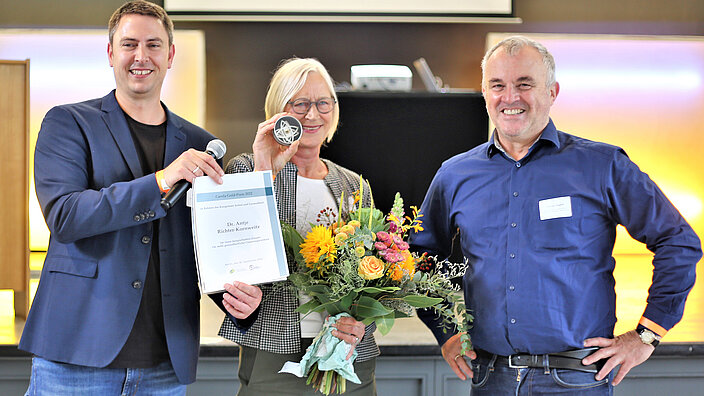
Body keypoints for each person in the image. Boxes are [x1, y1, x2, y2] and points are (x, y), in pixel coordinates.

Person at [410, 35, 702, 394]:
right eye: (497, 85)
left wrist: (647, 334)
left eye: (524, 84)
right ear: (485, 93)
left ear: (552, 92)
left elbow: (678, 241)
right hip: (489, 378)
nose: (510, 97)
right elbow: (418, 256)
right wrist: (445, 329)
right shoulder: (455, 174)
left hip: (576, 379)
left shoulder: (602, 166)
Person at [19, 1, 225, 394]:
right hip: (76, 356)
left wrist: (241, 294)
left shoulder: (199, 144)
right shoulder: (68, 122)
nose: (141, 56)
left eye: (153, 45)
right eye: (129, 44)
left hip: (165, 364)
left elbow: (208, 246)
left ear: (171, 55)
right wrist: (162, 180)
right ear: (111, 52)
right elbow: (65, 217)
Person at [214, 58, 379, 395]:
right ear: (279, 111)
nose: (312, 114)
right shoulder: (246, 170)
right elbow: (235, 252)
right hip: (274, 354)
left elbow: (374, 274)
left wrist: (363, 320)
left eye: (323, 103)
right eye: (300, 103)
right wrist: (265, 169)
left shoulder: (352, 185)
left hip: (348, 356)